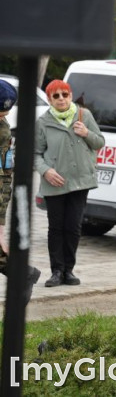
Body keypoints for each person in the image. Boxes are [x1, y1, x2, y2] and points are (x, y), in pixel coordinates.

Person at [34, 80, 105, 287]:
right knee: (56, 227)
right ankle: (56, 271)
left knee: (73, 227)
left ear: (70, 95)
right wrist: (46, 171)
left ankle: (69, 271)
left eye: (64, 94)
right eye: (56, 96)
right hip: (55, 183)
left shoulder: (85, 115)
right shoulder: (43, 122)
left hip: (79, 182)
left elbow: (99, 142)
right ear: (49, 100)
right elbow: (35, 153)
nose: (61, 99)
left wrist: (86, 133)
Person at [0, 80, 42, 294]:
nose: (1, 116)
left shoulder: (3, 133)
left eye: (3, 113)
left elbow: (4, 179)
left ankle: (23, 274)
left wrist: (0, 223)